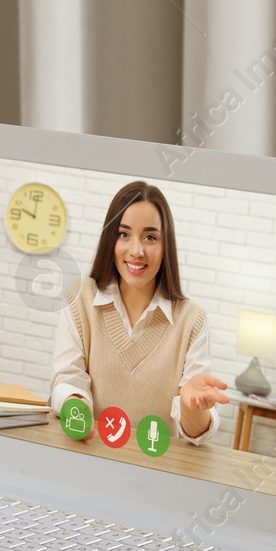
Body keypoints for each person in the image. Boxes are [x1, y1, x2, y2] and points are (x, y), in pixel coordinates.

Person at [47, 180, 228, 444]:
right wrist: (76, 406)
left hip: (155, 473)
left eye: (150, 237)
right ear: (110, 239)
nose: (136, 251)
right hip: (87, 457)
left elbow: (195, 434)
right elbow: (66, 379)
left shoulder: (192, 319)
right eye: (124, 234)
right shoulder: (80, 298)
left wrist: (192, 407)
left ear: (166, 246)